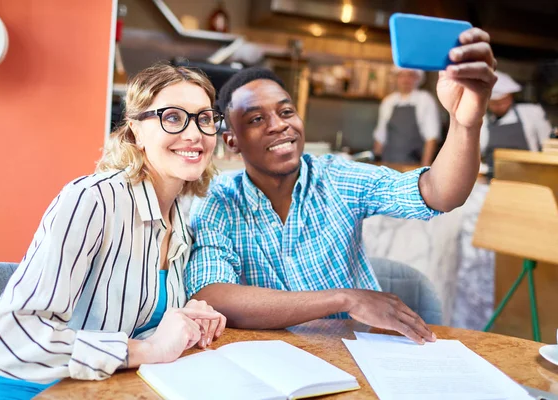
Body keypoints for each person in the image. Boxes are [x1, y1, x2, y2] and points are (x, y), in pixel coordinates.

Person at [185, 28, 497, 344]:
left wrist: (465, 124)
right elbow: (212, 295)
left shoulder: (336, 178)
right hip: (269, 368)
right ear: (231, 141)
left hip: (357, 358)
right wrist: (344, 299)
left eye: (286, 111)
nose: (279, 125)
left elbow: (438, 193)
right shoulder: (219, 198)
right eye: (256, 120)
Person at [0, 63, 227, 400]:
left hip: (101, 390)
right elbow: (9, 338)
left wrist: (185, 318)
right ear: (135, 130)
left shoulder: (180, 220)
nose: (194, 134)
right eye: (173, 117)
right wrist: (148, 350)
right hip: (31, 390)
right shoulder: (92, 200)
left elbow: (137, 320)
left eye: (204, 119)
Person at [481, 70, 552, 169]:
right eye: (495, 103)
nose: (499, 106)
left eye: (503, 101)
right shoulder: (482, 119)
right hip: (492, 177)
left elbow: (548, 144)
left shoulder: (532, 112)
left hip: (530, 173)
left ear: (510, 97)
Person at [373, 67, 440, 166]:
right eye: (401, 75)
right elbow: (380, 136)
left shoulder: (425, 100)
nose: (405, 80)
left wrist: (424, 168)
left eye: (410, 75)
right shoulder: (388, 102)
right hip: (387, 164)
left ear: (418, 78)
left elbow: (431, 138)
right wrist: (376, 164)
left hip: (413, 167)